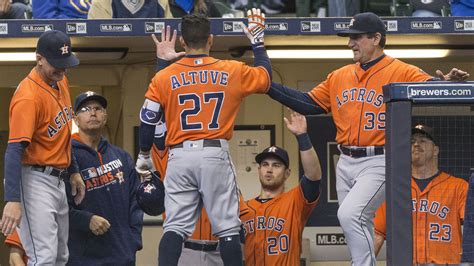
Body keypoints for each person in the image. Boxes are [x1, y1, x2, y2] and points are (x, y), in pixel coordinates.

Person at [265, 12, 469, 266]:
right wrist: (267, 85)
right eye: (350, 37)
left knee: (350, 214)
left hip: (379, 159)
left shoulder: (401, 70)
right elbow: (307, 103)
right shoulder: (339, 76)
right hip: (345, 160)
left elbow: (429, 87)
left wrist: (444, 83)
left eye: (357, 37)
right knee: (353, 221)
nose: (350, 43)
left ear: (376, 38)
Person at [135, 9, 270, 265]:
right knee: (228, 228)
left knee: (174, 226)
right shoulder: (231, 69)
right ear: (211, 40)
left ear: (183, 43)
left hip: (179, 154)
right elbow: (265, 79)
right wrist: (258, 42)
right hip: (213, 151)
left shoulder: (163, 76)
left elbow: (149, 118)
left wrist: (143, 154)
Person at [0, 30, 85, 265]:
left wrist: (73, 169)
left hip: (58, 179)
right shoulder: (28, 97)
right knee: (43, 257)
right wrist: (13, 199)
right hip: (34, 179)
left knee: (60, 256)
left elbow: (65, 133)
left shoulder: (61, 80)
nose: (63, 70)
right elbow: (15, 149)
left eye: (66, 63)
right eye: (57, 64)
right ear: (39, 59)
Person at [66, 91, 144, 265]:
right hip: (82, 258)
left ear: (105, 117)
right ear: (76, 119)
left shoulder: (121, 157)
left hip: (122, 256)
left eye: (98, 108)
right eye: (85, 109)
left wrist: (133, 241)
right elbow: (59, 207)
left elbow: (135, 201)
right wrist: (86, 220)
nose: (93, 113)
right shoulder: (66, 159)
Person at [373, 124, 468, 264]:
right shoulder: (394, 189)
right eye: (412, 142)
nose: (416, 144)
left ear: (435, 150)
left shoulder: (458, 187)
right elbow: (378, 234)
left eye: (423, 140)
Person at [241, 110, 322, 266]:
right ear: (258, 170)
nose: (269, 169)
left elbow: (314, 175)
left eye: (276, 165)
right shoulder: (244, 208)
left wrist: (302, 137)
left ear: (287, 173)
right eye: (265, 165)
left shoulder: (296, 201)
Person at [88, 0, 165, 19]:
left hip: (151, 57)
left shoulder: (161, 2)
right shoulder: (102, 2)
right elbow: (99, 43)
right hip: (111, 59)